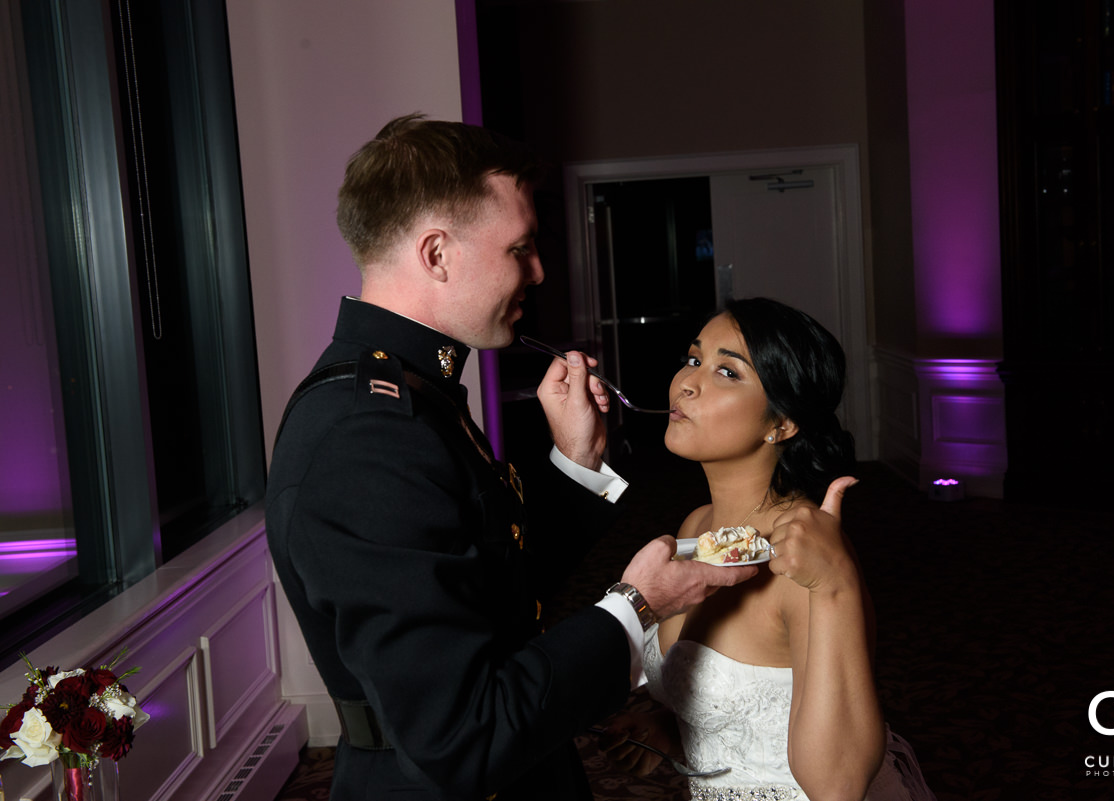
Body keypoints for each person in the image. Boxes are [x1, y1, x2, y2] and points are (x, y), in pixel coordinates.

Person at [264, 113, 758, 801]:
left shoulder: (414, 393)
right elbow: (462, 736)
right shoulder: (364, 435)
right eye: (520, 248)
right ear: (437, 254)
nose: (539, 270)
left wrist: (575, 460)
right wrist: (637, 605)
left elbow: (487, 592)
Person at [597, 298, 935, 801]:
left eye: (727, 372)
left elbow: (836, 787)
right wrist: (676, 730)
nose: (687, 383)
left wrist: (835, 584)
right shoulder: (698, 524)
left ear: (782, 423)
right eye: (694, 360)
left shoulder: (805, 560)